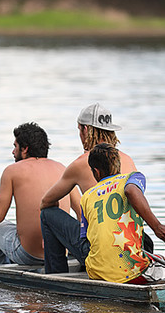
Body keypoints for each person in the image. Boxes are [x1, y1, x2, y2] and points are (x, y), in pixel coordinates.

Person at [38, 103, 138, 273]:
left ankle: (56, 276)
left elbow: (46, 201)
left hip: (96, 252)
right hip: (128, 249)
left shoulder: (81, 163)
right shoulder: (129, 160)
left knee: (48, 215)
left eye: (79, 130)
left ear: (85, 130)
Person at [0, 122, 78, 265]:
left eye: (15, 146)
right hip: (59, 252)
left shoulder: (12, 170)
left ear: (25, 149)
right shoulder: (63, 169)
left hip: (27, 254)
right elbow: (82, 213)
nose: (13, 152)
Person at [79, 143, 165, 283]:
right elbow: (131, 191)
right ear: (118, 164)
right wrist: (157, 227)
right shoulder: (132, 178)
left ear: (96, 172)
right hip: (131, 272)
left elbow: (86, 239)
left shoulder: (87, 196)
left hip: (96, 273)